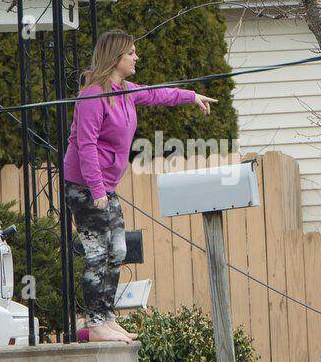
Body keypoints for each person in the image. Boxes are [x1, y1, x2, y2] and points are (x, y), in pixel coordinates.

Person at [63, 30, 216, 343]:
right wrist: (97, 191)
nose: (136, 57)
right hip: (84, 186)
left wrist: (190, 97)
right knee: (97, 253)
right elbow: (86, 146)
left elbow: (158, 95)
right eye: (131, 53)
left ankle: (106, 317)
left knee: (117, 249)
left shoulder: (124, 90)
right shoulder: (93, 95)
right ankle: (95, 324)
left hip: (104, 186)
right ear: (116, 57)